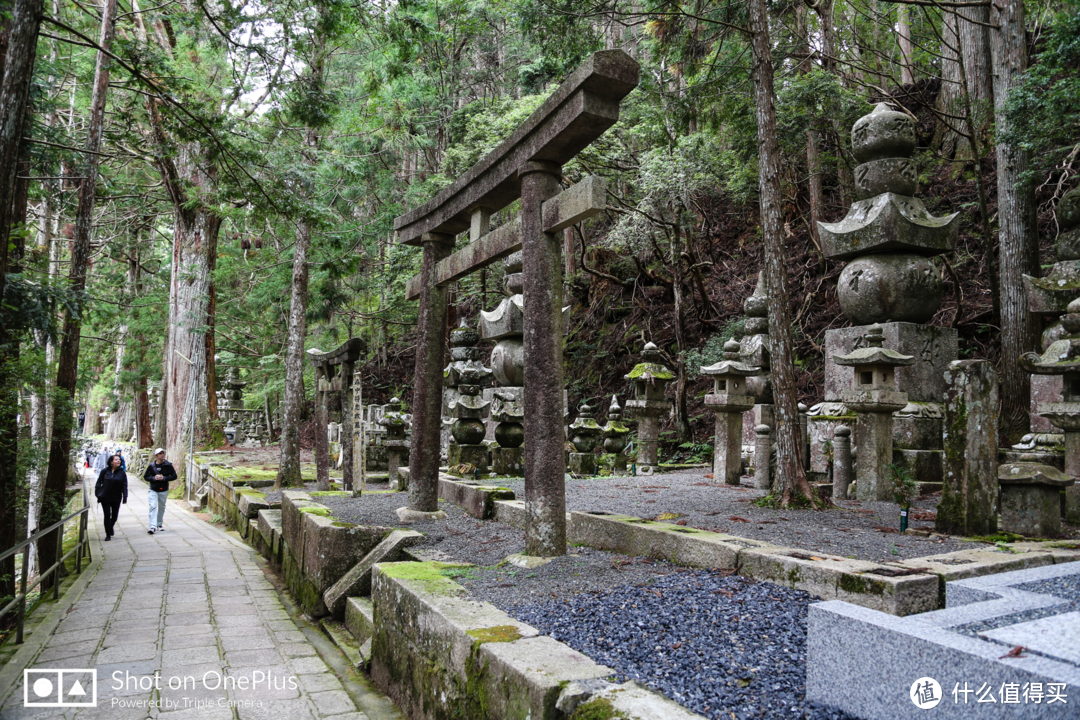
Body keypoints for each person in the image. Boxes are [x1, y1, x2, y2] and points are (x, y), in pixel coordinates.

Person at [95, 454, 127, 541]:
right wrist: (98, 493)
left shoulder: (122, 473)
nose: (118, 461)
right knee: (107, 515)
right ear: (111, 462)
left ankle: (110, 526)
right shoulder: (105, 471)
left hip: (116, 497)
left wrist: (125, 497)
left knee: (114, 516)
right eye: (116, 460)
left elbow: (124, 486)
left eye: (119, 460)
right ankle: (108, 534)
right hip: (105, 497)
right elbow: (98, 482)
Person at [144, 448, 176, 534]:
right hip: (153, 489)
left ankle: (159, 524)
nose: (162, 455)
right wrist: (153, 478)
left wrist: (164, 478)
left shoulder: (168, 465)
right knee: (153, 506)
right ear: (156, 456)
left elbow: (174, 476)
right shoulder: (151, 466)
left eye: (163, 453)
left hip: (163, 489)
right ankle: (152, 526)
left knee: (161, 507)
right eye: (160, 453)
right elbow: (146, 477)